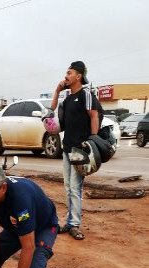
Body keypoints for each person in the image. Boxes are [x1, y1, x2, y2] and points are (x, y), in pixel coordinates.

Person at [50, 60, 100, 241]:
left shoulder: (86, 94)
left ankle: (75, 224)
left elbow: (94, 115)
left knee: (75, 187)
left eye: (69, 73)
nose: (66, 76)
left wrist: (93, 140)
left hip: (80, 150)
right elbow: (53, 108)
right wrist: (57, 91)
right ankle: (71, 221)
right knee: (68, 186)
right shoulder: (68, 97)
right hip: (67, 148)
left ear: (78, 76)